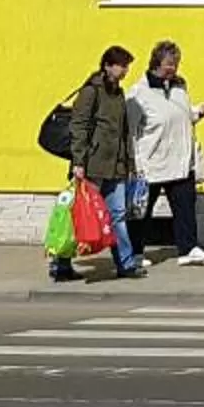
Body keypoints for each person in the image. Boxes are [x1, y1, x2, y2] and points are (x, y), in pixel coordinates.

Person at [54, 44, 144, 282]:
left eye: (127, 66)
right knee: (80, 215)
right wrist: (79, 161)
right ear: (107, 65)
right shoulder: (91, 92)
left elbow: (123, 131)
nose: (125, 71)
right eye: (122, 66)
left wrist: (129, 161)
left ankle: (125, 263)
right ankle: (61, 264)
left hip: (116, 165)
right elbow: (79, 126)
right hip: (92, 165)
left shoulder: (118, 93)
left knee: (117, 215)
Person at [127, 40, 204, 266]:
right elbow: (129, 130)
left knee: (185, 207)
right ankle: (134, 253)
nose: (173, 68)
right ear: (156, 63)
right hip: (151, 162)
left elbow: (180, 116)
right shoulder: (138, 93)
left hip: (180, 159)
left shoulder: (180, 88)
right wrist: (133, 162)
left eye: (176, 63)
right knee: (142, 211)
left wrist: (197, 112)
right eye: (169, 64)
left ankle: (189, 248)